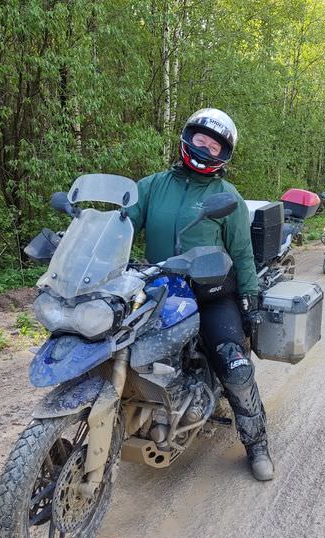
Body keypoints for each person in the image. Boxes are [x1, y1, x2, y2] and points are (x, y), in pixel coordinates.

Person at [129, 108, 274, 481]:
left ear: (224, 154)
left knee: (235, 367)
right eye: (201, 140)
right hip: (158, 291)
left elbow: (241, 252)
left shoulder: (227, 196)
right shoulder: (152, 186)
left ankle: (257, 444)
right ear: (187, 138)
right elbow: (121, 223)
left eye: (215, 145)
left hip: (211, 294)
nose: (206, 148)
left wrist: (249, 299)